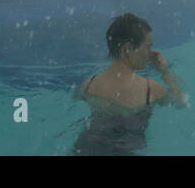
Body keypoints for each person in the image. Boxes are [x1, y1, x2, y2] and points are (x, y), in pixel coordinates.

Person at [72, 13, 186, 155]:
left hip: (85, 147)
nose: (150, 54)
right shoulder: (151, 90)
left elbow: (73, 99)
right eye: (147, 47)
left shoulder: (88, 85)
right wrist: (165, 72)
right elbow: (181, 102)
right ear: (128, 49)